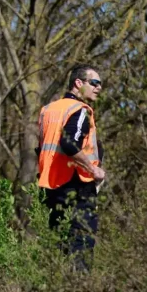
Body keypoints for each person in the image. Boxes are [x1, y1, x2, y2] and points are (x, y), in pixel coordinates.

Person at [37, 64, 105, 271]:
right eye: (94, 83)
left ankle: (57, 288)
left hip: (50, 184)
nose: (99, 88)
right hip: (75, 185)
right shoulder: (80, 110)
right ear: (78, 83)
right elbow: (69, 144)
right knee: (81, 240)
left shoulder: (48, 110)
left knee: (57, 242)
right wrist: (94, 171)